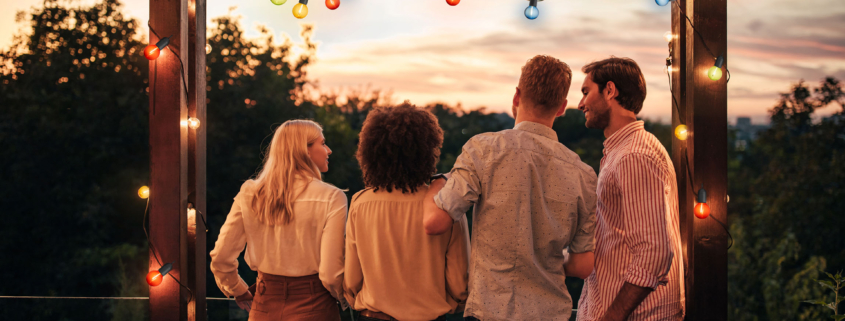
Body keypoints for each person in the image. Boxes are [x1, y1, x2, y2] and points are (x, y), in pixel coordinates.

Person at [423, 55, 598, 320]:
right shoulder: (583, 175)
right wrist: (541, 261)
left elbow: (435, 223)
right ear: (562, 108)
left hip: (490, 312)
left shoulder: (483, 150)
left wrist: (433, 186)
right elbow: (584, 265)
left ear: (516, 96)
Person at [574, 57, 685, 321]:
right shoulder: (624, 151)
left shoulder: (634, 156)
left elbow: (654, 252)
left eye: (586, 92)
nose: (580, 104)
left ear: (610, 91)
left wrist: (613, 316)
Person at [209, 120, 347, 321]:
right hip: (316, 305)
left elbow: (221, 257)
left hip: (264, 305)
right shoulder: (332, 197)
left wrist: (237, 289)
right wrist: (345, 300)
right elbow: (331, 273)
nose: (329, 150)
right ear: (304, 150)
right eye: (322, 143)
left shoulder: (250, 193)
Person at [344, 104, 470, 321]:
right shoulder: (444, 206)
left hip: (374, 316)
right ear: (427, 151)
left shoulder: (360, 203)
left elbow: (352, 279)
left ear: (371, 152)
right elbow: (459, 284)